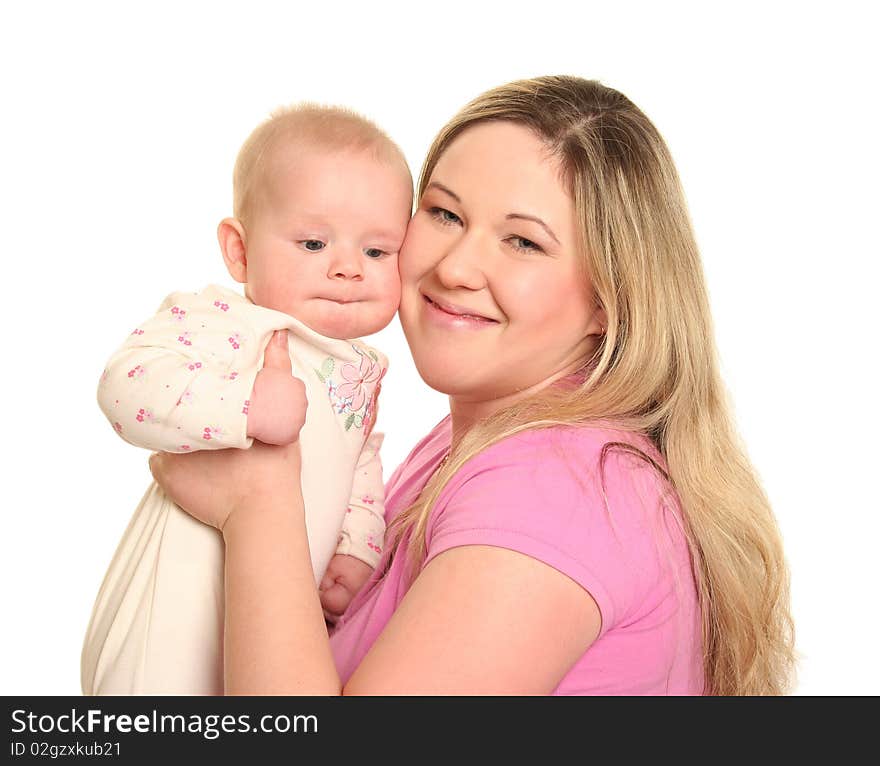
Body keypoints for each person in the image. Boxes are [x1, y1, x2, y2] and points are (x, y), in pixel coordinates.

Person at [148, 75, 796, 695]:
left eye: (522, 242)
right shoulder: (480, 434)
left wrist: (258, 507)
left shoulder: (553, 492)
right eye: (444, 214)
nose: (455, 267)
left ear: (610, 298)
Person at [80, 104, 413, 694]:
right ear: (239, 250)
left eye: (377, 252)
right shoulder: (224, 319)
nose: (346, 269)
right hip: (177, 602)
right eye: (313, 243)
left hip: (268, 620)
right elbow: (125, 386)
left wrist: (357, 544)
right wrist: (245, 404)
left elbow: (361, 456)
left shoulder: (362, 366)